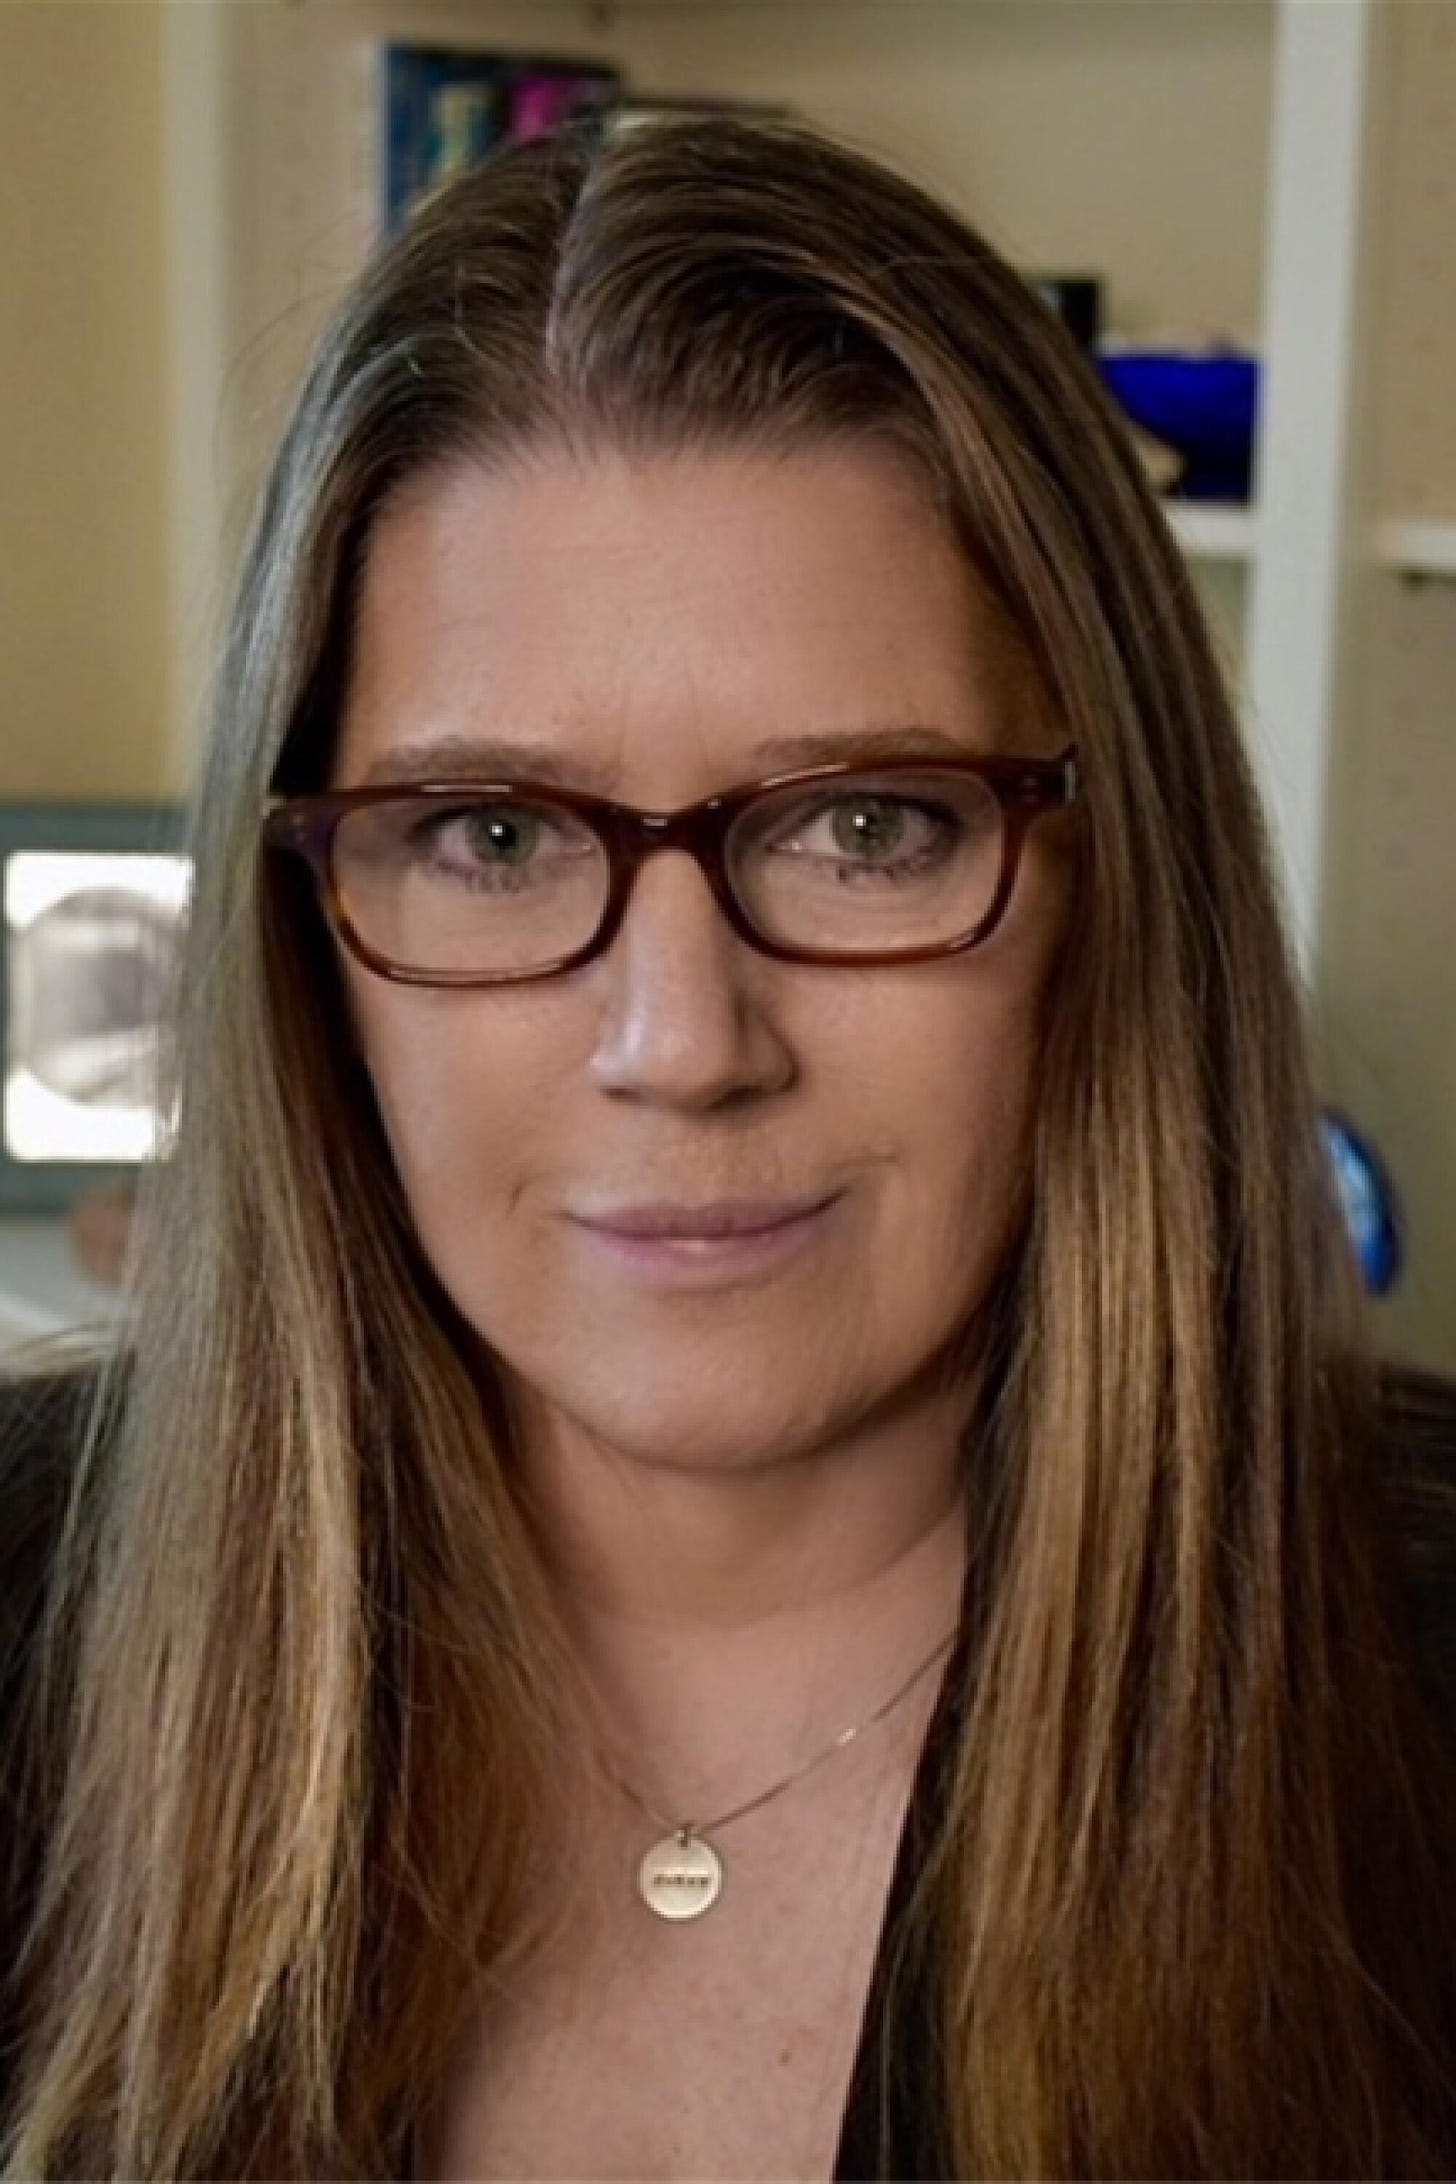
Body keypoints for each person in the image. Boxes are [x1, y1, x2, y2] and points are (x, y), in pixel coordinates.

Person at [3, 112, 1456, 2182]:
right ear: (302, 936)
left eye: (866, 825)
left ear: (1104, 884)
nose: (679, 1046)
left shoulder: (1410, 1696)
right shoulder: (31, 1618)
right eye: (490, 839)